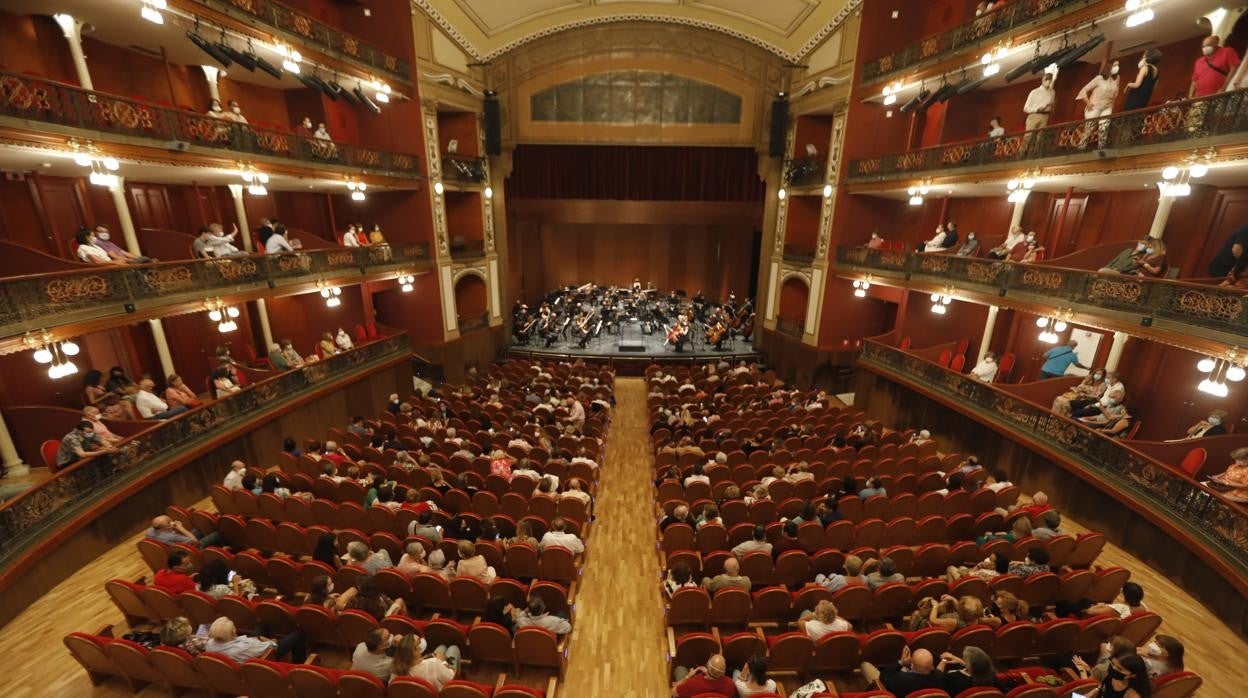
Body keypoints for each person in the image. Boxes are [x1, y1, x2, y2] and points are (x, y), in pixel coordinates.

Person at [862, 646, 945, 696]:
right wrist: (944, 660)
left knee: (865, 665)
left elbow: (883, 676)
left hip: (890, 689)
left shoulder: (900, 679)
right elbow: (939, 671)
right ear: (932, 666)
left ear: (912, 665)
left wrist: (901, 662)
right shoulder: (939, 678)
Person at [1076, 62, 1120, 149]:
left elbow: (1116, 92)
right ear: (1109, 68)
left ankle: (1101, 148)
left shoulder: (1117, 78)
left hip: (1107, 107)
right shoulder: (1099, 78)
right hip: (1094, 106)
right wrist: (1088, 102)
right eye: (1114, 66)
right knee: (1089, 129)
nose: (1117, 68)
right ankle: (1081, 147)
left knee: (1104, 127)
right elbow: (1083, 90)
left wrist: (1112, 104)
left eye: (1117, 66)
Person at [1189, 34, 1240, 98]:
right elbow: (1194, 80)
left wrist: (1224, 88)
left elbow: (1234, 69)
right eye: (1203, 46)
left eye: (1208, 45)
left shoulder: (1227, 52)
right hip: (1200, 99)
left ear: (1216, 44)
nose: (1205, 48)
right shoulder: (1199, 62)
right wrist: (1190, 95)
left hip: (1220, 95)